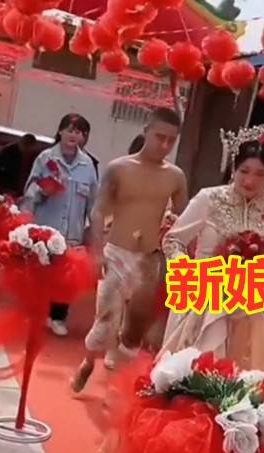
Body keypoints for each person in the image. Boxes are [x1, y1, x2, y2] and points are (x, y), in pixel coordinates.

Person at [72, 107, 188, 392]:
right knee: (106, 319)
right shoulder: (119, 168)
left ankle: (117, 385)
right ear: (146, 132)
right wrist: (97, 251)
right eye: (159, 137)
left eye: (171, 140)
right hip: (116, 251)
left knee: (135, 328)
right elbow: (98, 211)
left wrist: (173, 230)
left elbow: (185, 218)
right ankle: (88, 362)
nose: (164, 145)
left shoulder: (175, 176)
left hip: (149, 257)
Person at [158, 130, 264, 374]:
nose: (250, 180)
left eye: (260, 174)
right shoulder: (209, 199)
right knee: (186, 374)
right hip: (200, 298)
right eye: (244, 171)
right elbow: (173, 239)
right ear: (233, 168)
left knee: (234, 381)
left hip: (246, 305)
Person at [20, 113, 98, 336]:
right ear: (60, 131)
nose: (73, 135)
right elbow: (29, 193)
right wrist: (43, 191)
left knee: (65, 278)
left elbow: (94, 202)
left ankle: (58, 316)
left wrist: (94, 230)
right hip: (46, 229)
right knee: (41, 275)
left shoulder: (88, 165)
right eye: (69, 130)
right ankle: (37, 312)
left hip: (71, 232)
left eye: (78, 132)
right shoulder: (45, 159)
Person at [0, 134, 38, 198]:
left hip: (23, 192)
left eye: (29, 149)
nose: (26, 150)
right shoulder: (7, 152)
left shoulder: (34, 157)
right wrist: (5, 187)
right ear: (20, 143)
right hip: (6, 189)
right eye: (25, 147)